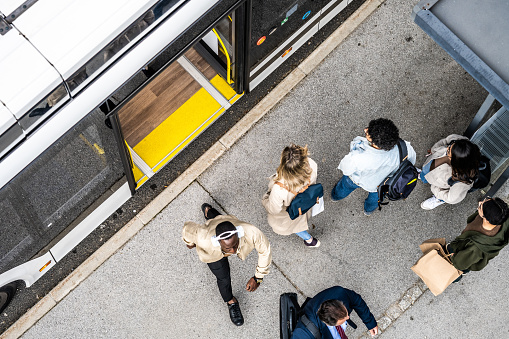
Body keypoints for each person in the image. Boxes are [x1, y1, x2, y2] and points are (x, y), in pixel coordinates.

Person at [182, 204, 272, 326]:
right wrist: (190, 242)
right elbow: (187, 229)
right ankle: (231, 302)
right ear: (218, 241)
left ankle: (209, 212)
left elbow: (265, 251)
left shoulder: (250, 231)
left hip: (228, 222)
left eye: (235, 245)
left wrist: (258, 277)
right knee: (223, 278)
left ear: (238, 234)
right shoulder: (204, 238)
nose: (234, 251)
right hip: (214, 253)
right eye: (229, 248)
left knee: (222, 221)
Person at [331, 118, 416, 216]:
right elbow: (410, 161)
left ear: (376, 144)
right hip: (382, 185)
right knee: (376, 198)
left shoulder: (358, 157)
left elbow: (346, 170)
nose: (365, 130)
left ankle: (336, 196)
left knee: (345, 186)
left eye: (368, 132)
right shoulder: (405, 148)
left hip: (357, 180)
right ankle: (368, 210)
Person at [262, 144, 320, 247]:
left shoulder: (279, 189)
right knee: (299, 225)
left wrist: (265, 199)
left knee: (294, 226)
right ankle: (311, 241)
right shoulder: (312, 164)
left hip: (290, 213)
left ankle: (310, 240)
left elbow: (274, 209)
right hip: (306, 202)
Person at [447, 197, 509, 274]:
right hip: (471, 253)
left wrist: (454, 258)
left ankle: (459, 275)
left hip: (468, 256)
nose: (480, 202)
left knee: (461, 266)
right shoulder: (501, 216)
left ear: (486, 219)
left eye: (481, 206)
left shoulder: (476, 247)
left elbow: (460, 263)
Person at [420, 134, 481, 210]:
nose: (447, 148)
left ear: (456, 162)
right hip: (430, 167)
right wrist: (434, 149)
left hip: (438, 182)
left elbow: (451, 198)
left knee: (427, 177)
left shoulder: (462, 181)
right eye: (450, 146)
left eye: (449, 151)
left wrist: (435, 189)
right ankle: (422, 176)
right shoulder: (461, 144)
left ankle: (439, 199)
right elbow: (446, 140)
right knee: (424, 174)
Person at [292, 286, 378, 339]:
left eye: (346, 313)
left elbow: (356, 300)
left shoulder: (339, 292)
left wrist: (370, 322)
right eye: (343, 319)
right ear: (329, 324)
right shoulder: (304, 333)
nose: (348, 317)